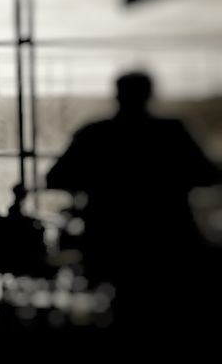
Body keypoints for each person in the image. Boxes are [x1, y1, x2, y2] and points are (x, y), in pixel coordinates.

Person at [45, 71, 218, 282]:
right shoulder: (172, 132)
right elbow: (207, 175)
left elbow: (56, 178)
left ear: (117, 95)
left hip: (108, 237)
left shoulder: (95, 134)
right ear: (150, 95)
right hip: (169, 234)